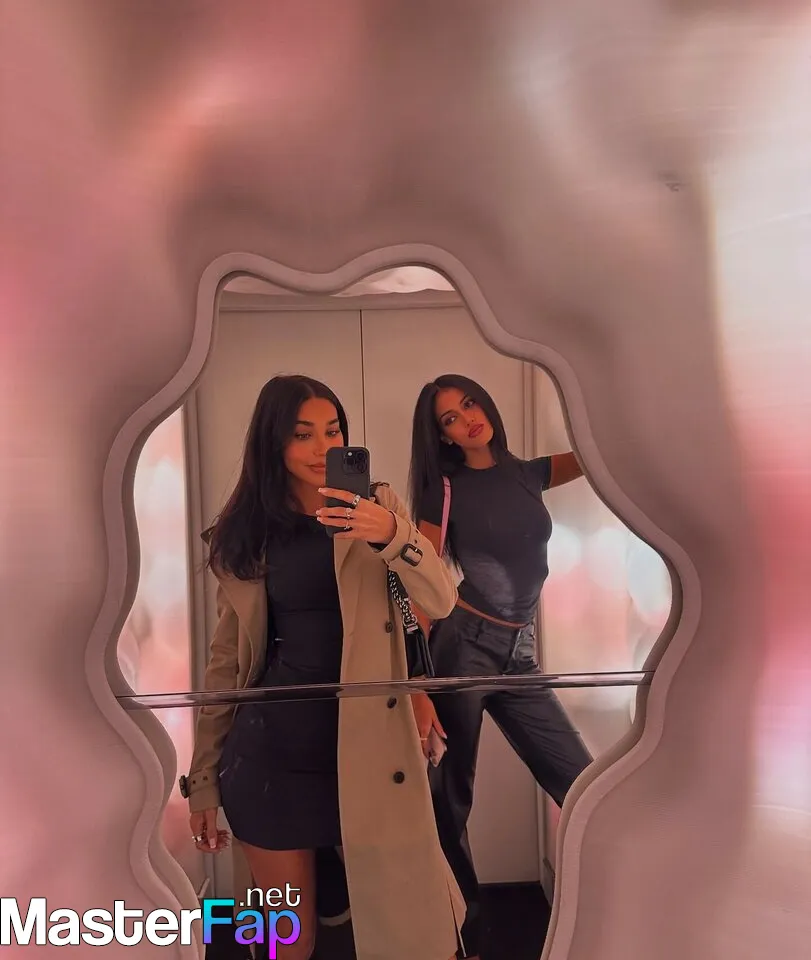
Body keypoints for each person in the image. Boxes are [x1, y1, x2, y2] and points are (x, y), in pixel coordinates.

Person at [181, 374, 466, 960]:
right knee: (287, 941)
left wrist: (391, 534)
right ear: (273, 443)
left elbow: (438, 600)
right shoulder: (248, 530)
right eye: (302, 434)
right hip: (271, 759)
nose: (321, 448)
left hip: (368, 754)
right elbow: (227, 662)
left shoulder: (378, 505)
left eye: (332, 431)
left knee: (400, 930)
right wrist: (202, 778)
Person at [408, 373, 593, 960]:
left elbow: (598, 454)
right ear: (443, 436)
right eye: (450, 418)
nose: (468, 419)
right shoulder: (444, 488)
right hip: (462, 648)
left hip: (520, 655)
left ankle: (604, 908)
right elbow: (419, 583)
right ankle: (463, 934)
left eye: (469, 404)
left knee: (584, 784)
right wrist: (416, 683)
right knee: (450, 801)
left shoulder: (528, 473)